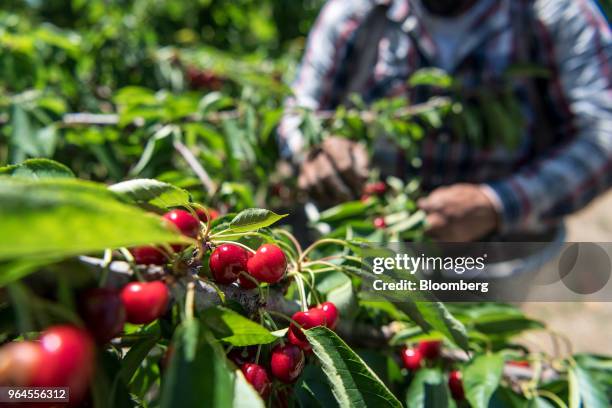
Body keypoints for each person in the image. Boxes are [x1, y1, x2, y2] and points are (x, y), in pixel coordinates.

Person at [278, 0, 612, 242]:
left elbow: (604, 136)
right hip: (363, 249)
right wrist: (313, 152)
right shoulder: (358, 12)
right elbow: (299, 112)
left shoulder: (554, 15)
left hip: (489, 263)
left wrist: (497, 203)